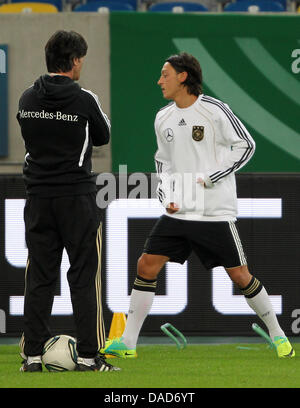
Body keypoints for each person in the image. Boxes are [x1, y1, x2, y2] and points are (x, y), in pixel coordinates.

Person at [101, 52, 295, 359]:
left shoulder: (215, 110)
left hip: (213, 211)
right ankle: (128, 343)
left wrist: (212, 176)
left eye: (165, 74)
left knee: (240, 275)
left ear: (183, 76)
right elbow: (161, 161)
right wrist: (166, 195)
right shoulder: (162, 117)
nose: (159, 80)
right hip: (179, 212)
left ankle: (279, 335)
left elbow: (246, 145)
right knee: (146, 265)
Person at [17, 30, 119, 372]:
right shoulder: (84, 99)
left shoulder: (27, 99)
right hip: (76, 199)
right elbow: (103, 134)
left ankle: (31, 357)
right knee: (83, 276)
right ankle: (90, 357)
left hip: (38, 198)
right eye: (81, 61)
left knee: (40, 277)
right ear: (74, 61)